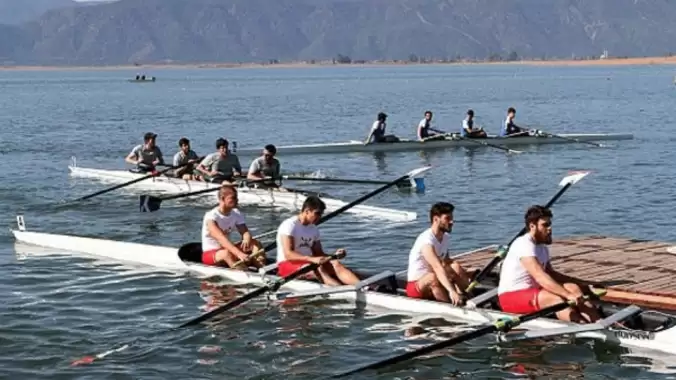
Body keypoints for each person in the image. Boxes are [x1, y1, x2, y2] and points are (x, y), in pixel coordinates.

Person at [497, 205, 602, 323]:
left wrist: (580, 283)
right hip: (511, 297)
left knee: (573, 287)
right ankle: (582, 327)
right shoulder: (523, 244)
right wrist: (567, 295)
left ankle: (599, 322)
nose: (550, 228)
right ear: (532, 226)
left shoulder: (542, 247)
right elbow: (540, 276)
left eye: (550, 224)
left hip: (533, 292)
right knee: (556, 299)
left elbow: (550, 274)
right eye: (545, 225)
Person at [276, 195, 360, 286]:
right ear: (307, 211)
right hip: (286, 264)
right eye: (317, 213)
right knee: (318, 268)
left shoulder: (313, 229)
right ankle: (342, 290)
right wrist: (311, 259)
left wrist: (335, 256)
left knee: (335, 264)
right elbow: (288, 254)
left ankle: (362, 287)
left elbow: (318, 253)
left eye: (321, 214)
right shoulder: (289, 225)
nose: (319, 217)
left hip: (309, 262)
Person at [406, 202, 472, 305]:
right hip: (416, 286)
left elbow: (446, 262)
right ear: (436, 219)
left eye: (452, 218)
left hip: (436, 281)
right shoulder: (426, 241)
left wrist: (465, 272)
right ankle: (450, 306)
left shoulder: (445, 237)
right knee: (433, 277)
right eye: (447, 218)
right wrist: (451, 290)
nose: (452, 222)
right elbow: (437, 267)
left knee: (455, 266)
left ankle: (469, 296)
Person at [201, 186, 266, 268]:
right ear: (222, 198)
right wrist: (239, 254)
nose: (237, 200)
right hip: (210, 254)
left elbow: (245, 231)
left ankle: (262, 268)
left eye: (237, 197)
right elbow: (221, 239)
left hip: (228, 250)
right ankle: (242, 272)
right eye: (233, 198)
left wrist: (246, 238)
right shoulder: (211, 217)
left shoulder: (236, 213)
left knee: (255, 243)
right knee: (226, 253)